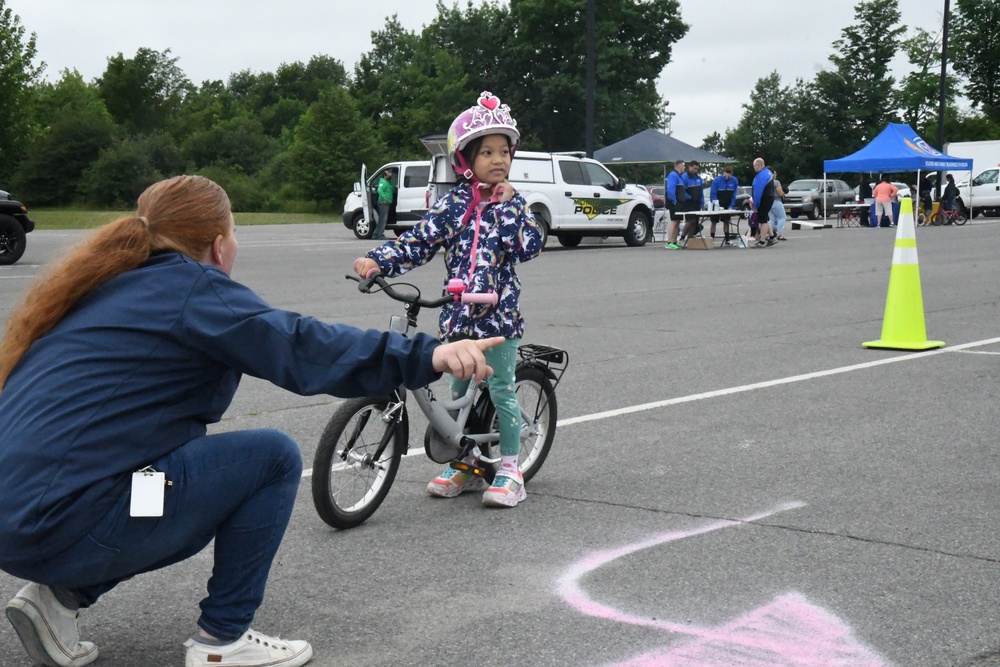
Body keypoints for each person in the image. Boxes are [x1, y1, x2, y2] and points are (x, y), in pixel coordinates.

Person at [0, 175, 501, 667]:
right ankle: (223, 638)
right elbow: (301, 345)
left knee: (176, 479)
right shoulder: (193, 290)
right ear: (219, 245)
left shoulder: (103, 287)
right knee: (270, 459)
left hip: (23, 518)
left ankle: (59, 599)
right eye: (235, 232)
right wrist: (429, 355)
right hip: (61, 521)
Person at [354, 91, 543, 509]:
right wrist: (377, 259)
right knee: (457, 389)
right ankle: (465, 463)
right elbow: (419, 242)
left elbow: (529, 247)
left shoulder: (515, 204)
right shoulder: (454, 205)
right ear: (465, 159)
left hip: (498, 317)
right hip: (458, 318)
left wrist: (509, 206)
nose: (498, 160)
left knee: (500, 388)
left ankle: (511, 468)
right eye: (488, 152)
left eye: (505, 152)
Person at [709, 165, 739, 244]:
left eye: (729, 174)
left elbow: (734, 195)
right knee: (714, 222)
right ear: (724, 173)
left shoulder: (734, 181)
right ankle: (712, 238)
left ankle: (727, 239)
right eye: (726, 173)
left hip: (727, 204)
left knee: (726, 222)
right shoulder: (717, 180)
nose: (727, 176)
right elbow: (713, 193)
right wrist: (716, 204)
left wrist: (731, 206)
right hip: (717, 204)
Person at [751, 157, 777, 247]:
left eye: (754, 166)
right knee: (765, 218)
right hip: (769, 198)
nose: (754, 168)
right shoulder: (768, 173)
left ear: (758, 165)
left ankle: (762, 241)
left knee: (762, 220)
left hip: (764, 199)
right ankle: (772, 237)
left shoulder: (761, 176)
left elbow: (758, 192)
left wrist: (755, 205)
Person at [677, 161, 705, 243]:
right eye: (694, 168)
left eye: (697, 169)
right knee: (691, 220)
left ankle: (690, 238)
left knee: (695, 221)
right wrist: (689, 197)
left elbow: (701, 192)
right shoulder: (684, 177)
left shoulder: (699, 179)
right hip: (688, 203)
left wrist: (702, 203)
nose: (696, 170)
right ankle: (682, 237)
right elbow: (682, 190)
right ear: (690, 167)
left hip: (697, 203)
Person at [663, 159, 686, 249]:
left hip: (680, 203)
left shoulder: (680, 177)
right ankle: (669, 242)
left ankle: (674, 241)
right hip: (674, 203)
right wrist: (674, 201)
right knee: (674, 221)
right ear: (679, 166)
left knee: (677, 222)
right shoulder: (673, 175)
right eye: (683, 165)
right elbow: (670, 189)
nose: (684, 167)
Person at [374, 168, 396, 240]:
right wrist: (385, 198)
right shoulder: (383, 182)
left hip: (386, 203)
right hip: (383, 203)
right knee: (383, 219)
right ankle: (380, 235)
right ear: (385, 175)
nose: (390, 176)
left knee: (381, 219)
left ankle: (375, 234)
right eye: (388, 175)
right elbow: (379, 190)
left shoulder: (387, 182)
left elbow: (391, 189)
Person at [767, 166, 788, 241]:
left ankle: (769, 233)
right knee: (782, 217)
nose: (776, 175)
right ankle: (779, 233)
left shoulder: (766, 182)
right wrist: (784, 192)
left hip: (769, 202)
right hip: (776, 201)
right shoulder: (776, 182)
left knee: (771, 219)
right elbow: (780, 193)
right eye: (775, 174)